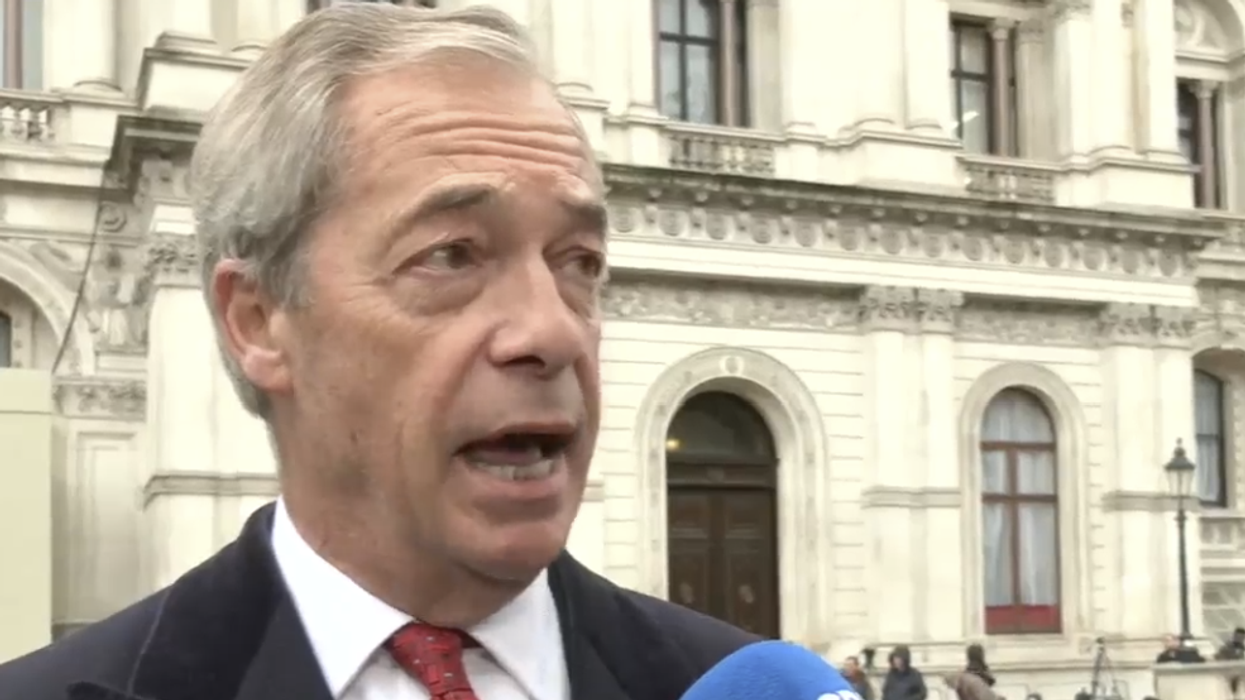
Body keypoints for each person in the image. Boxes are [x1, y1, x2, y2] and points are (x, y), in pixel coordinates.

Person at [0, 5, 760, 700]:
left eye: (579, 262)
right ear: (258, 321)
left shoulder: (736, 684)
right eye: (451, 255)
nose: (554, 331)